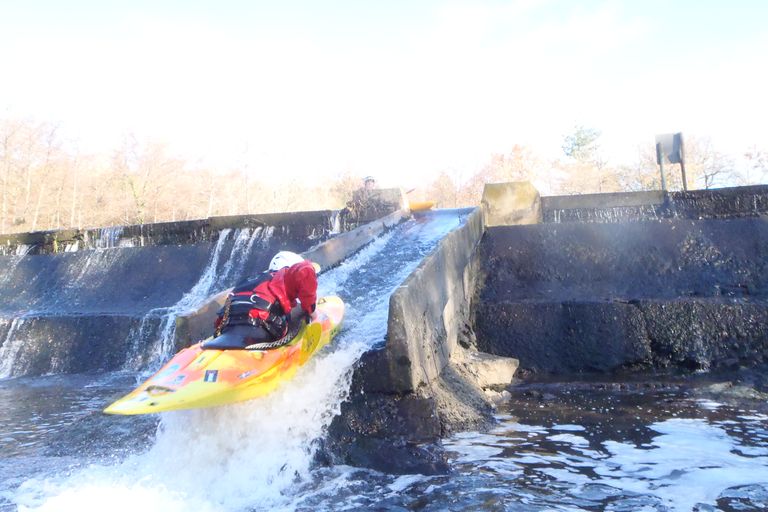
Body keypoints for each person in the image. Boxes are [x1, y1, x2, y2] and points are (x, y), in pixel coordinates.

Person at [212, 251, 320, 348]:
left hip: (228, 329)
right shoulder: (286, 274)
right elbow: (304, 270)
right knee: (298, 313)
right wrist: (312, 312)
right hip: (259, 328)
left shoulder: (249, 280)